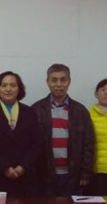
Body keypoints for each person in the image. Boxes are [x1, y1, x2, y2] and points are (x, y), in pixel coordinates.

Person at [31, 63, 94, 196]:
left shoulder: (80, 111)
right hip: (44, 176)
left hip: (73, 176)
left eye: (63, 80)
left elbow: (88, 145)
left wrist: (85, 173)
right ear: (47, 82)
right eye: (54, 80)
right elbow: (30, 145)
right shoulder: (36, 109)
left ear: (69, 82)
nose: (58, 84)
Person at [0, 71, 42, 198]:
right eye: (4, 85)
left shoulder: (30, 112)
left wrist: (23, 167)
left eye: (13, 85)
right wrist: (5, 168)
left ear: (19, 89)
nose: (8, 89)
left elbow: (37, 143)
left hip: (25, 177)